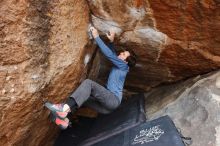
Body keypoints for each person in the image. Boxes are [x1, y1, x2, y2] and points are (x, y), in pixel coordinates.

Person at [45, 27, 137, 129]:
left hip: (112, 100)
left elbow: (110, 55)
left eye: (123, 54)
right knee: (84, 97)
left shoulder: (124, 67)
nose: (120, 53)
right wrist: (111, 41)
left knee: (88, 83)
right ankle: (63, 120)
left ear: (125, 62)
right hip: (107, 108)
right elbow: (114, 55)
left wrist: (96, 37)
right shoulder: (121, 65)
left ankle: (63, 109)